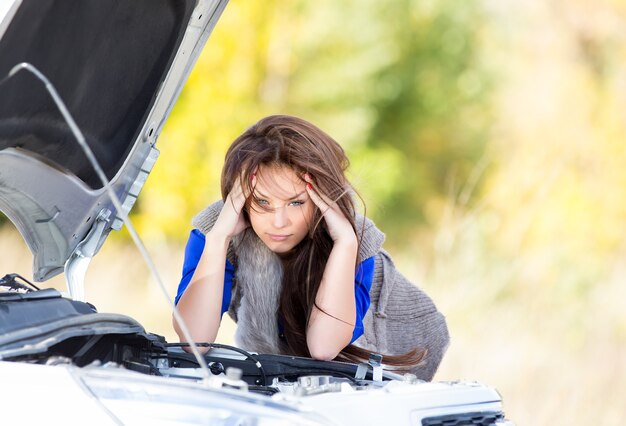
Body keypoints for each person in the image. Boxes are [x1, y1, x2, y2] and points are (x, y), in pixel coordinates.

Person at [173, 115, 449, 380]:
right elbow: (194, 341)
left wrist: (345, 244)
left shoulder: (354, 238)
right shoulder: (217, 230)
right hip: (297, 357)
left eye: (296, 202)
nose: (279, 222)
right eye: (263, 202)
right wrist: (219, 238)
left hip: (398, 342)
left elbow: (324, 347)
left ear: (320, 199)